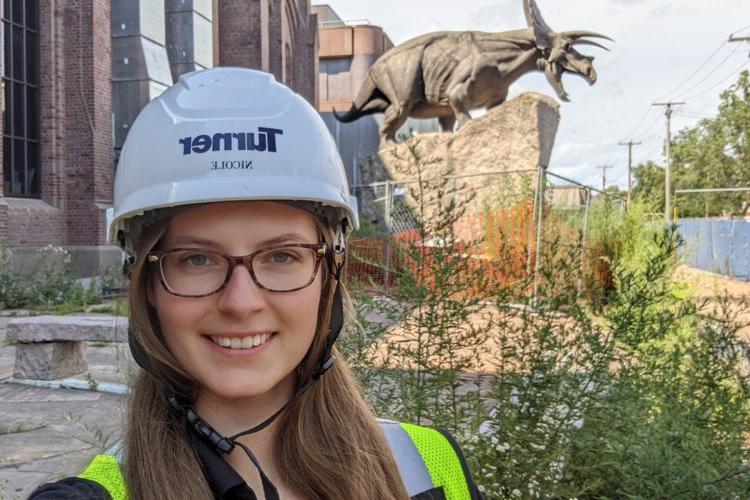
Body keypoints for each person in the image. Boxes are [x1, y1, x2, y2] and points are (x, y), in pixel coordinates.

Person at [29, 67, 483, 500]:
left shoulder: (428, 466)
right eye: (197, 259)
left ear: (331, 273)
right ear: (146, 283)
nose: (241, 303)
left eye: (282, 256)